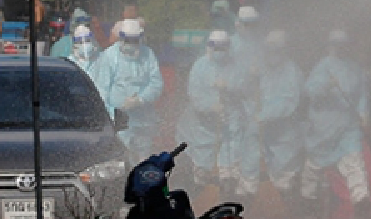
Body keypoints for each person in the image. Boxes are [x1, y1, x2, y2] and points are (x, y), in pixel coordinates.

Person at [302, 29, 369, 217]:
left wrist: (363, 113)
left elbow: (362, 92)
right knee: (315, 162)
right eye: (336, 44)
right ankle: (308, 197)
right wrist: (326, 86)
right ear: (330, 46)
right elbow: (310, 91)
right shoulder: (322, 67)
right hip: (324, 126)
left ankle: (361, 199)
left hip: (348, 125)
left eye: (343, 45)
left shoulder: (355, 68)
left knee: (354, 159)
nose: (340, 48)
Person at [181, 29, 255, 195]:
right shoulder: (200, 66)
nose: (220, 52)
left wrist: (229, 87)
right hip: (205, 123)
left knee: (230, 167)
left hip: (232, 121)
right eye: (217, 48)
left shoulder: (237, 66)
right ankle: (197, 194)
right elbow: (194, 93)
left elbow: (246, 88)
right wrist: (210, 106)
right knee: (201, 166)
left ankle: (227, 193)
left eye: (223, 48)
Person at [89, 18, 165, 152]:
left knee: (143, 159)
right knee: (123, 159)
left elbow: (157, 83)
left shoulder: (148, 54)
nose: (131, 44)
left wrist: (141, 99)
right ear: (121, 38)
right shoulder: (109, 57)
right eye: (128, 40)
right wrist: (113, 114)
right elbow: (102, 91)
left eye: (135, 40)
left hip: (143, 119)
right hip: (118, 123)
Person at [257, 28, 305, 208]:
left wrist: (263, 115)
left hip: (285, 137)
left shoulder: (292, 72)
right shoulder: (262, 70)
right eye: (269, 48)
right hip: (266, 135)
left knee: (284, 181)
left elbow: (288, 103)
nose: (272, 53)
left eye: (275, 49)